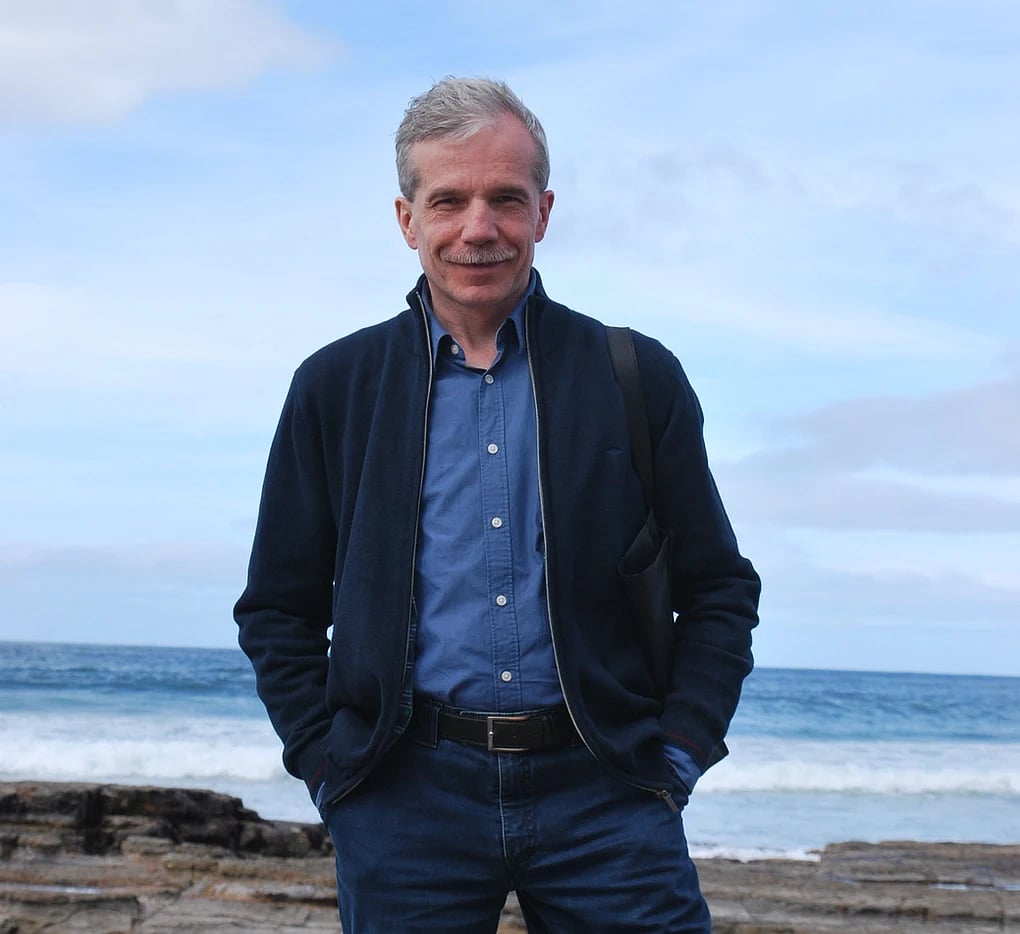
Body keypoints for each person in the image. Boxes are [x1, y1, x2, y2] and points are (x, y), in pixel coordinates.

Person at [235, 76, 760, 933]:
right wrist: (331, 772)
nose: (478, 228)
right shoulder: (336, 386)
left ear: (542, 212)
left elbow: (719, 590)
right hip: (403, 801)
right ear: (407, 220)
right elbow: (277, 609)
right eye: (448, 201)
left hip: (609, 793)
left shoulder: (635, 376)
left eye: (505, 199)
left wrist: (677, 754)